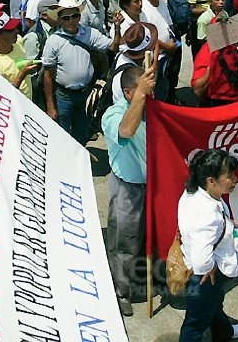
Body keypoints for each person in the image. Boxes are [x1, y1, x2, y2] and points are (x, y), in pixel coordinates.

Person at [103, 64, 156, 317]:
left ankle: (140, 283)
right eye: (144, 91)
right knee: (124, 242)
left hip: (153, 187)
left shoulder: (152, 109)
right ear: (128, 93)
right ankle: (121, 291)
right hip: (127, 189)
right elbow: (126, 131)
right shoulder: (113, 115)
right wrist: (140, 97)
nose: (150, 95)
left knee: (147, 240)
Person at [177, 149, 238, 341]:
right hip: (204, 280)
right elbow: (201, 262)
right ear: (211, 181)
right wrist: (212, 268)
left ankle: (224, 333)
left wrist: (231, 224)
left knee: (214, 304)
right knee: (194, 324)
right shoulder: (207, 215)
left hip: (202, 276)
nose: (235, 179)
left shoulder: (195, 193)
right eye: (229, 176)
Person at [42, 0, 116, 144]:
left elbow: (112, 47)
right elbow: (48, 75)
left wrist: (118, 28)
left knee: (82, 133)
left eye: (75, 16)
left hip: (85, 94)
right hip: (64, 96)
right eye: (66, 18)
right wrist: (51, 107)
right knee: (62, 135)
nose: (71, 21)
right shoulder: (53, 42)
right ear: (60, 20)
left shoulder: (89, 33)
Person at [0, 9, 36, 99]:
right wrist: (23, 73)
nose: (16, 31)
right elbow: (4, 94)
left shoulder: (18, 40)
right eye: (10, 30)